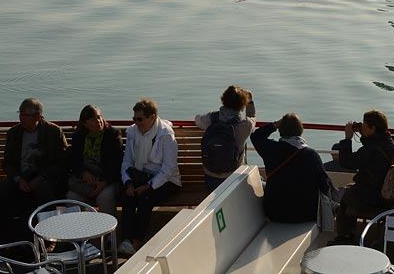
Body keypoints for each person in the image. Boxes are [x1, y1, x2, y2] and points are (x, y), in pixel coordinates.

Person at [0, 98, 69, 242]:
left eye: (25, 115)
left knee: (44, 191)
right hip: (21, 177)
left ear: (37, 117)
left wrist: (40, 178)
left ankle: (49, 236)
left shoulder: (52, 131)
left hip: (44, 177)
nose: (21, 118)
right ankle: (2, 236)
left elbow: (61, 162)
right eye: (20, 114)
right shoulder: (14, 133)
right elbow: (8, 163)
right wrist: (17, 179)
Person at [118, 99, 182, 256]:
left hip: (166, 180)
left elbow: (169, 168)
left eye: (140, 119)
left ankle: (136, 242)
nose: (136, 122)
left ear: (152, 117)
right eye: (134, 119)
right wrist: (129, 183)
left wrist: (148, 186)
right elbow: (127, 161)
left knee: (145, 198)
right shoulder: (133, 132)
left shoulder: (166, 135)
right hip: (140, 175)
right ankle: (126, 240)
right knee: (127, 196)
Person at [331, 109, 394, 242]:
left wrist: (348, 138)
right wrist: (364, 135)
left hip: (372, 195)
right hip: (390, 192)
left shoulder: (370, 149)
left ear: (373, 128)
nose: (361, 127)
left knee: (345, 198)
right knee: (350, 190)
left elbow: (347, 162)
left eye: (364, 125)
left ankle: (345, 237)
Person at [250, 113, 332, 223]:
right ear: (300, 130)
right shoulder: (311, 155)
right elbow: (324, 185)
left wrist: (274, 125)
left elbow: (256, 136)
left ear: (280, 131)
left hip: (275, 212)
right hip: (306, 213)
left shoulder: (271, 150)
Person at [195, 85, 257, 191]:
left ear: (223, 100)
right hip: (233, 181)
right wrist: (250, 101)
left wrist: (213, 114)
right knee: (258, 181)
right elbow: (252, 117)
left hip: (211, 180)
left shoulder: (210, 119)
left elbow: (197, 119)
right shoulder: (244, 126)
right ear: (242, 106)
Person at [67, 104, 123, 216]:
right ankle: (76, 231)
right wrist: (83, 173)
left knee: (105, 197)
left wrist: (103, 183)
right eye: (93, 119)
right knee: (72, 197)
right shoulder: (79, 137)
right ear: (85, 123)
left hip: (107, 179)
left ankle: (109, 232)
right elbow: (75, 161)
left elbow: (117, 163)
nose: (98, 121)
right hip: (85, 180)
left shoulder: (112, 135)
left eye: (99, 117)